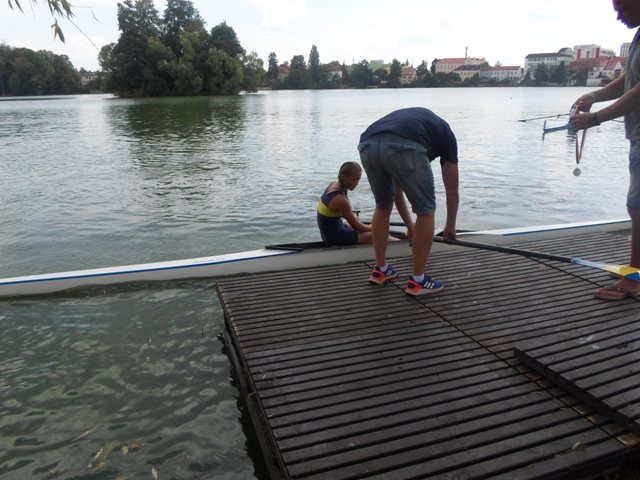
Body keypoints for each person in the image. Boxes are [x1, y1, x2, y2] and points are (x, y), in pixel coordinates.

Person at [570, 0, 640, 300]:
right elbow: (629, 81)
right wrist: (594, 96)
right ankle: (635, 268)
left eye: (624, 7)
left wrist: (595, 118)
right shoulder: (638, 36)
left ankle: (635, 277)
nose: (618, 15)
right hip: (636, 134)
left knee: (637, 205)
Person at [358, 107, 459, 296]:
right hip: (403, 142)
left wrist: (411, 227)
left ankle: (381, 270)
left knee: (382, 206)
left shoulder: (421, 126)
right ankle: (418, 281)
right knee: (426, 211)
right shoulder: (447, 138)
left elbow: (397, 190)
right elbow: (452, 191)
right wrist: (450, 226)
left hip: (367, 143)